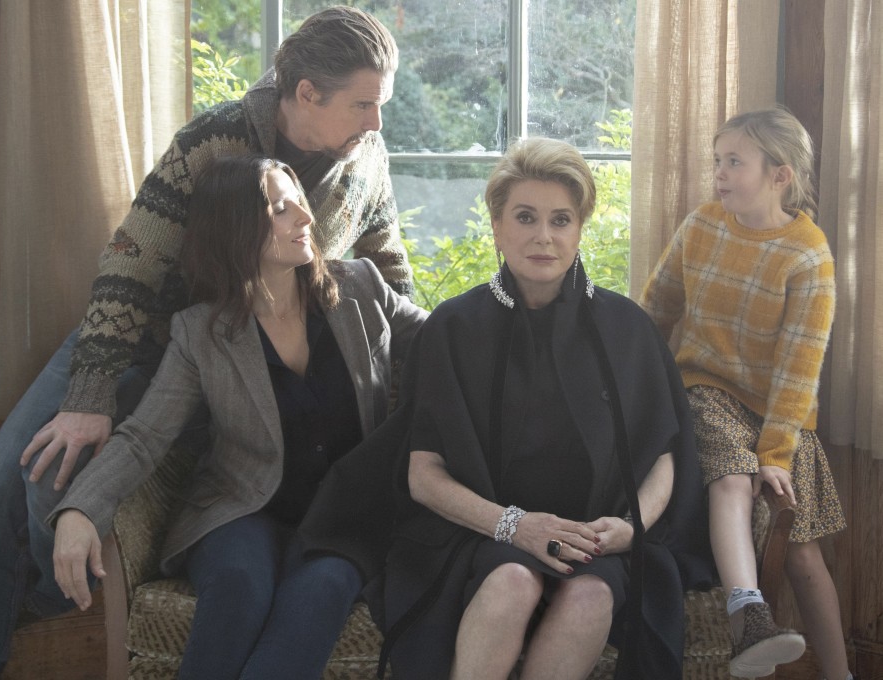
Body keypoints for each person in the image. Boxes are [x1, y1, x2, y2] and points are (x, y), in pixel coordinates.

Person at [0, 7, 412, 679]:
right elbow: (132, 263)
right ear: (307, 94)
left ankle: (41, 592)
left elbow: (388, 271)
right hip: (144, 337)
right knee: (2, 491)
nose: (376, 123)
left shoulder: (364, 157)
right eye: (364, 104)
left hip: (245, 356)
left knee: (65, 496)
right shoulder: (214, 140)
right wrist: (91, 394)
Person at [302, 137, 712, 680]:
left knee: (591, 597)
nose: (544, 236)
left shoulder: (627, 328)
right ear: (497, 227)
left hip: (598, 541)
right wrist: (514, 526)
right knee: (514, 583)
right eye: (525, 217)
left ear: (578, 229)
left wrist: (631, 529)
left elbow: (663, 451)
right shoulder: (452, 329)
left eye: (561, 219)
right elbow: (424, 477)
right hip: (481, 533)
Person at [50, 154, 426, 679]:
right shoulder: (199, 332)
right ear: (234, 229)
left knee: (322, 592)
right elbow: (143, 437)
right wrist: (80, 510)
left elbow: (447, 342)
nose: (305, 217)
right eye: (280, 208)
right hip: (241, 510)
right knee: (239, 585)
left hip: (348, 517)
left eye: (299, 202)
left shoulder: (360, 289)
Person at [640, 107, 854, 680]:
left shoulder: (808, 255)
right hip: (705, 391)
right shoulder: (702, 225)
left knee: (803, 552)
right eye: (718, 161)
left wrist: (777, 453)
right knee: (734, 476)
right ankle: (747, 615)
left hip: (778, 416)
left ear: (780, 175)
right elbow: (655, 310)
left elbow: (799, 368)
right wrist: (634, 386)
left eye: (735, 162)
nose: (720, 174)